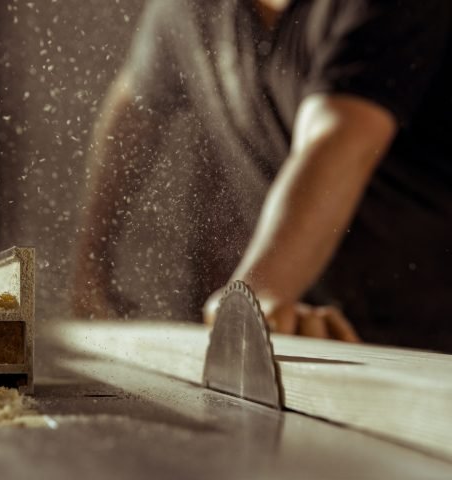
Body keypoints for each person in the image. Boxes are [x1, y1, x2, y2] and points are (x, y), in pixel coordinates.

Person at [72, 0, 452, 352]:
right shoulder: (189, 8)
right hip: (311, 318)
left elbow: (337, 137)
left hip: (431, 325)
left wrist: (257, 290)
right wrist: (91, 261)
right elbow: (135, 109)